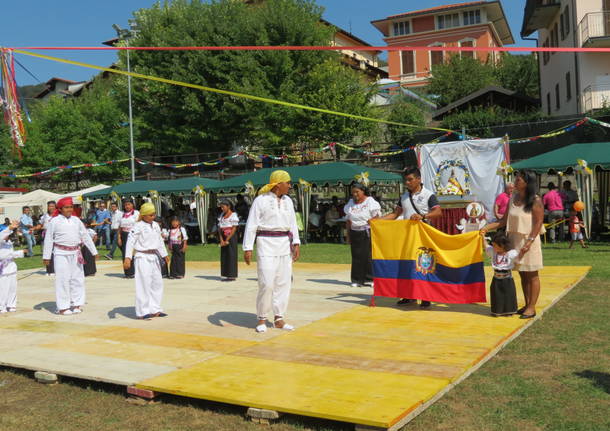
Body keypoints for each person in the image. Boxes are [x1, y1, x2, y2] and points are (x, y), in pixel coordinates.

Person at [481, 170, 544, 320]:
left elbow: (538, 222)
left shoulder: (535, 200)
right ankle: (527, 304)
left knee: (532, 274)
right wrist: (485, 228)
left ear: (527, 182)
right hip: (514, 240)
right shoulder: (512, 198)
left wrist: (529, 241)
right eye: (516, 179)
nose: (515, 181)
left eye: (518, 180)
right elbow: (503, 221)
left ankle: (532, 307)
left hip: (529, 240)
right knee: (522, 273)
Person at [243, 170, 300, 333]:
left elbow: (293, 223)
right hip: (265, 243)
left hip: (284, 243)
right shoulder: (260, 200)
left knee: (283, 282)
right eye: (287, 182)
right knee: (267, 282)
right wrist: (248, 247)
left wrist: (296, 242)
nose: (290, 185)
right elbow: (252, 224)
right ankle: (261, 318)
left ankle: (279, 318)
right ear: (278, 184)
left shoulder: (288, 201)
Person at [382, 167, 442, 308]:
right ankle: (408, 295)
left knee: (423, 266)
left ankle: (425, 296)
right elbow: (395, 214)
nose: (407, 182)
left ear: (419, 179)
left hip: (423, 237)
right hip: (407, 237)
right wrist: (377, 221)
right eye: (406, 180)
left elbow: (438, 212)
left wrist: (423, 216)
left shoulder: (429, 195)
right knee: (407, 265)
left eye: (410, 179)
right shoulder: (403, 196)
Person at [43, 197, 98, 315]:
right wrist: (46, 257)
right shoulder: (54, 221)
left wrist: (94, 251)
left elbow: (85, 236)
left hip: (76, 253)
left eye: (71, 207)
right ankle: (63, 307)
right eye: (66, 207)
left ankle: (77, 304)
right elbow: (48, 239)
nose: (69, 209)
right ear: (60, 209)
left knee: (78, 279)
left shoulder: (76, 220)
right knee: (63, 280)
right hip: (60, 254)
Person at [124, 203, 170, 320]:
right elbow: (130, 242)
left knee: (157, 283)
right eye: (150, 215)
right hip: (142, 256)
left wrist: (164, 255)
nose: (153, 217)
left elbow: (159, 241)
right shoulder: (137, 226)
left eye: (154, 214)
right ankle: (142, 311)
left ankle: (155, 309)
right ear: (143, 215)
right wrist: (128, 257)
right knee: (143, 284)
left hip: (154, 256)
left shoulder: (155, 225)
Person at [344, 184, 381, 288]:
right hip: (355, 231)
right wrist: (348, 235)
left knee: (368, 255)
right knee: (356, 256)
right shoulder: (350, 204)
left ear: (363, 191)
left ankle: (369, 278)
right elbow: (348, 221)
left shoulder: (370, 202)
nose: (355, 194)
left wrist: (373, 222)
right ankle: (356, 279)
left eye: (357, 192)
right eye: (353, 192)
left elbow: (377, 217)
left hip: (367, 231)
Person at [485, 231, 518, 316]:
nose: (493, 247)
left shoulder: (511, 253)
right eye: (493, 245)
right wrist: (482, 237)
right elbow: (486, 246)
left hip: (507, 279)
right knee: (497, 295)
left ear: (502, 245)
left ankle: (509, 311)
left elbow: (519, 257)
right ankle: (497, 311)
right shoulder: (493, 252)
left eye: (495, 245)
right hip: (496, 279)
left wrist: (524, 251)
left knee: (508, 295)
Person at [0, 220, 26, 313]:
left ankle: (11, 305)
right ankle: (1, 306)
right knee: (3, 287)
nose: (8, 235)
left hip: (11, 266)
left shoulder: (9, 242)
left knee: (12, 287)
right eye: (7, 233)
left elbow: (11, 254)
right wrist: (9, 228)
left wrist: (21, 253)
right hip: (3, 267)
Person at [117, 199, 139, 278]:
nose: (127, 206)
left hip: (133, 235)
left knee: (132, 253)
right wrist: (119, 237)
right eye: (126, 205)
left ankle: (134, 272)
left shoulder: (136, 213)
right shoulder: (122, 214)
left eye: (129, 204)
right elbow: (119, 227)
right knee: (124, 254)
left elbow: (139, 225)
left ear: (132, 205)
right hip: (123, 235)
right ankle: (128, 273)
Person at [218, 201, 239, 281]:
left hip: (231, 236)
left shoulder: (233, 215)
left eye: (223, 207)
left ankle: (232, 275)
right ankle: (225, 273)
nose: (222, 208)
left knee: (231, 255)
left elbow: (234, 228)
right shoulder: (221, 215)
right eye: (221, 207)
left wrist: (227, 239)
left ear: (228, 206)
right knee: (224, 255)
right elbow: (219, 228)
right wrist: (221, 239)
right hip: (223, 236)